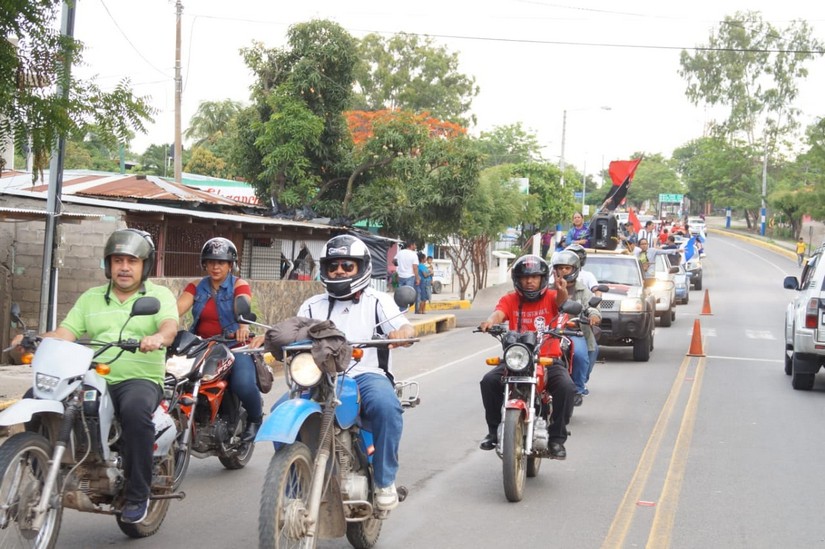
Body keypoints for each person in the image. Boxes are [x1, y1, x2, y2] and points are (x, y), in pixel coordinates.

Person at [11, 229, 179, 524]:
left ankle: (138, 493)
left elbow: (169, 327)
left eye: (132, 261)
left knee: (134, 412)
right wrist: (34, 338)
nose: (124, 267)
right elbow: (66, 333)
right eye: (117, 260)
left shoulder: (158, 296)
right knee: (35, 397)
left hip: (137, 378)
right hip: (93, 375)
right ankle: (44, 471)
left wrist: (157, 337)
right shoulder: (91, 298)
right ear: (108, 265)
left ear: (145, 265)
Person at [299, 235, 415, 511]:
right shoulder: (312, 305)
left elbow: (403, 326)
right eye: (333, 266)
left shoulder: (378, 301)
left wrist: (402, 333)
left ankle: (385, 481)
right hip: (320, 376)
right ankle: (291, 479)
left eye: (346, 266)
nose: (339, 271)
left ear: (360, 268)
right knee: (284, 408)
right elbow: (294, 331)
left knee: (387, 408)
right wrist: (269, 339)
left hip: (365, 374)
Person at [477, 254, 575, 459]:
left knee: (566, 387)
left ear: (542, 279)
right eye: (525, 278)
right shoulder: (510, 299)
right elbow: (498, 313)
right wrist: (489, 322)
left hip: (547, 359)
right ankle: (494, 431)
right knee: (488, 382)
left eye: (535, 277)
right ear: (517, 280)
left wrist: (562, 289)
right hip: (517, 358)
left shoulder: (551, 296)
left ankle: (557, 439)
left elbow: (562, 303)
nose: (529, 282)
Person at [176, 237, 263, 443]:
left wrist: (243, 326)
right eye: (211, 261)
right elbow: (176, 309)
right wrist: (162, 323)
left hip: (234, 345)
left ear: (230, 265)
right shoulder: (196, 286)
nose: (216, 266)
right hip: (203, 346)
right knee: (178, 379)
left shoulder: (239, 284)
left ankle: (255, 418)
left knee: (242, 384)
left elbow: (243, 304)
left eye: (222, 262)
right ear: (204, 264)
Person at [552, 251, 601, 404]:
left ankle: (578, 389)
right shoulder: (547, 289)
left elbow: (591, 307)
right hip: (550, 332)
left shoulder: (583, 291)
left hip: (573, 332)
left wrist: (593, 316)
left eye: (567, 268)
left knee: (579, 355)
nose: (564, 271)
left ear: (575, 269)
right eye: (560, 268)